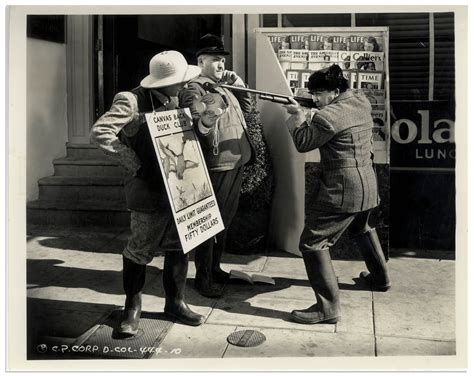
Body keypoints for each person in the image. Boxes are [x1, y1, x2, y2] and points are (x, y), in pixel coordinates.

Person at [90, 51, 205, 337]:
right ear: (162, 81)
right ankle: (132, 307)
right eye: (179, 81)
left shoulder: (177, 98)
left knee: (181, 246)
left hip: (179, 187)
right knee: (140, 249)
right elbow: (101, 133)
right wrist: (133, 163)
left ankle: (175, 303)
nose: (184, 86)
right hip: (148, 190)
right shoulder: (131, 101)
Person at [282, 64, 390, 324]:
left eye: (319, 94)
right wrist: (316, 108)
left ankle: (327, 309)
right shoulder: (360, 101)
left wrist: (297, 117)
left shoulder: (326, 116)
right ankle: (380, 279)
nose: (316, 99)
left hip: (341, 189)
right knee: (361, 228)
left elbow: (303, 143)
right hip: (367, 184)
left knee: (312, 243)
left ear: (335, 91)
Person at [178, 34, 256, 298]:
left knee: (224, 219)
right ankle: (203, 277)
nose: (221, 64)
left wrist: (239, 84)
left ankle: (215, 267)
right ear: (201, 62)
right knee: (209, 221)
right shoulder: (195, 88)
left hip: (236, 158)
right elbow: (197, 122)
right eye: (215, 60)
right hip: (216, 162)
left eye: (222, 60)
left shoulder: (222, 85)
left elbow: (248, 107)